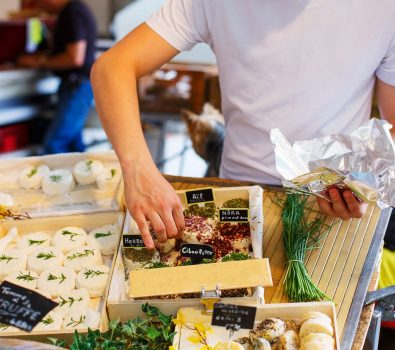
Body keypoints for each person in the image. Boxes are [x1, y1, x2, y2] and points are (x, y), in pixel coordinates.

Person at [91, 0, 395, 248]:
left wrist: (365, 184)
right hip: (238, 198)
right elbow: (112, 67)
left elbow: (391, 125)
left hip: (334, 208)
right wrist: (139, 170)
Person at [18, 0, 97, 154]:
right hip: (77, 85)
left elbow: (75, 57)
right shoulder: (72, 11)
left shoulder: (72, 12)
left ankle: (56, 178)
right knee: (74, 145)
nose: (39, 6)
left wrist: (39, 62)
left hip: (77, 86)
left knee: (55, 144)